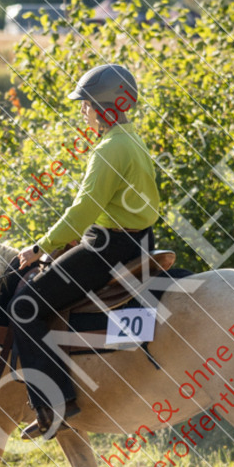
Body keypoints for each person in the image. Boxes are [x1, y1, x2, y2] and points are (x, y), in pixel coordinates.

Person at [12, 63, 161, 440]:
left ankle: (53, 403)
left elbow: (81, 210)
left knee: (25, 305)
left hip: (108, 246)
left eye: (86, 104)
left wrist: (39, 247)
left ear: (104, 106)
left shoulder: (108, 149)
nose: (83, 111)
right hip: (139, 240)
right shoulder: (132, 139)